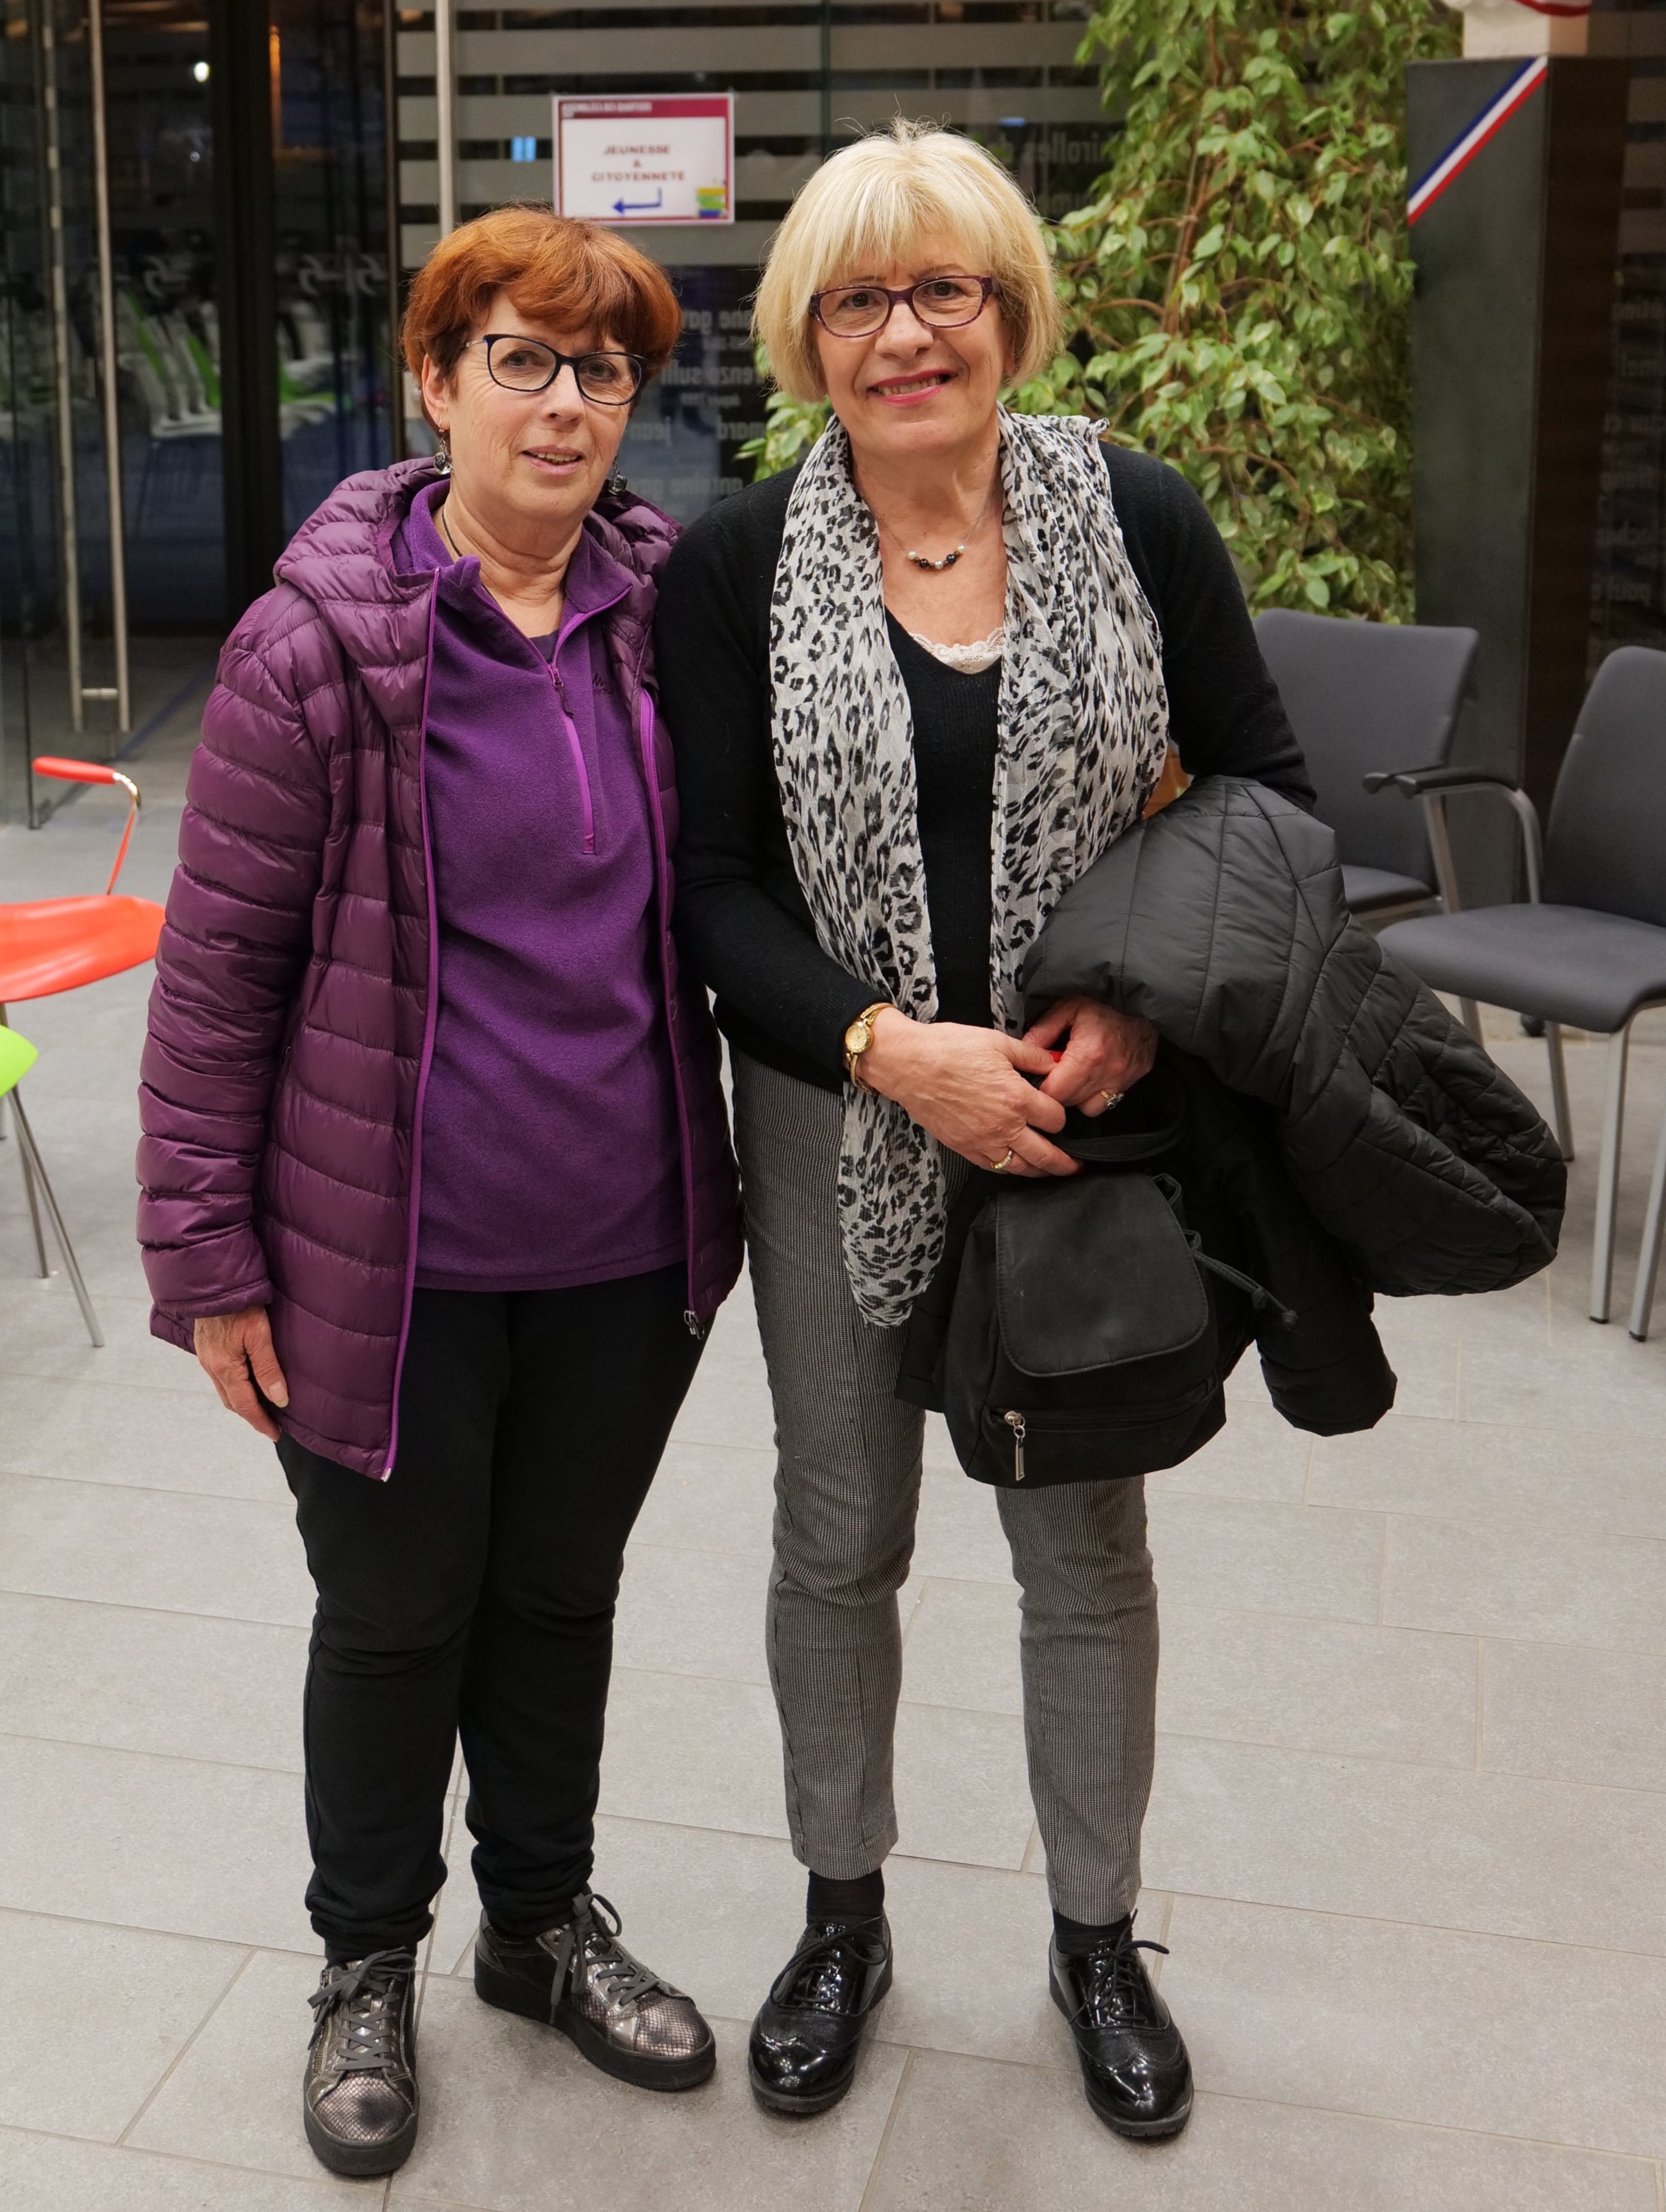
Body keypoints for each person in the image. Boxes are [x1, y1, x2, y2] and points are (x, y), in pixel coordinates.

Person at [655, 121, 1314, 2141]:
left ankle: (1095, 1936)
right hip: (832, 1113)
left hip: (1083, 1119)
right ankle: (841, 1910)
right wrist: (888, 1046)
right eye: (856, 296)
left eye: (942, 288)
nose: (904, 332)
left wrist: (1122, 1011)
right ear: (806, 338)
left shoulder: (1136, 513)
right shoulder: (737, 561)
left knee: (1079, 1542)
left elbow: (1268, 792)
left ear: (1007, 307)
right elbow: (714, 892)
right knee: (839, 1537)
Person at [137, 206, 741, 2180]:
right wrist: (213, 1258)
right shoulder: (321, 639)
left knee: (563, 1597)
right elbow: (216, 972)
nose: (565, 405)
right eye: (520, 360)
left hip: (628, 1239)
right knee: (396, 1618)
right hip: (381, 1258)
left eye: (603, 370)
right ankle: (365, 1963)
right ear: (433, 380)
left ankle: (541, 1924)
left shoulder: (668, 613)